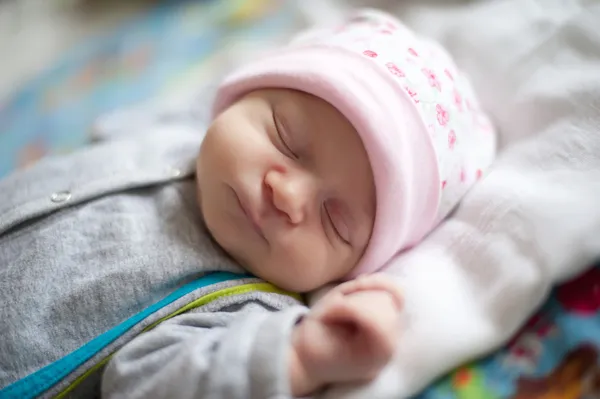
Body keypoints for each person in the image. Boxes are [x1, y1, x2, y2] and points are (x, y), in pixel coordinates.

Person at [0, 9, 494, 399]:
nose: (288, 194)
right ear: (238, 97)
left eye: (335, 222)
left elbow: (151, 386)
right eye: (285, 138)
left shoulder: (245, 310)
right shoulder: (178, 133)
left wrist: (303, 356)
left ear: (350, 271)